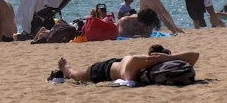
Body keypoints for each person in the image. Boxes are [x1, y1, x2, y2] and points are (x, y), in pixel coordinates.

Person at [59, 45, 199, 84]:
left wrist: (168, 57)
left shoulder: (162, 64)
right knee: (76, 75)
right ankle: (67, 69)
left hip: (114, 66)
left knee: (80, 75)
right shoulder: (138, 62)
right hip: (106, 68)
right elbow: (128, 77)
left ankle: (68, 70)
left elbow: (195, 55)